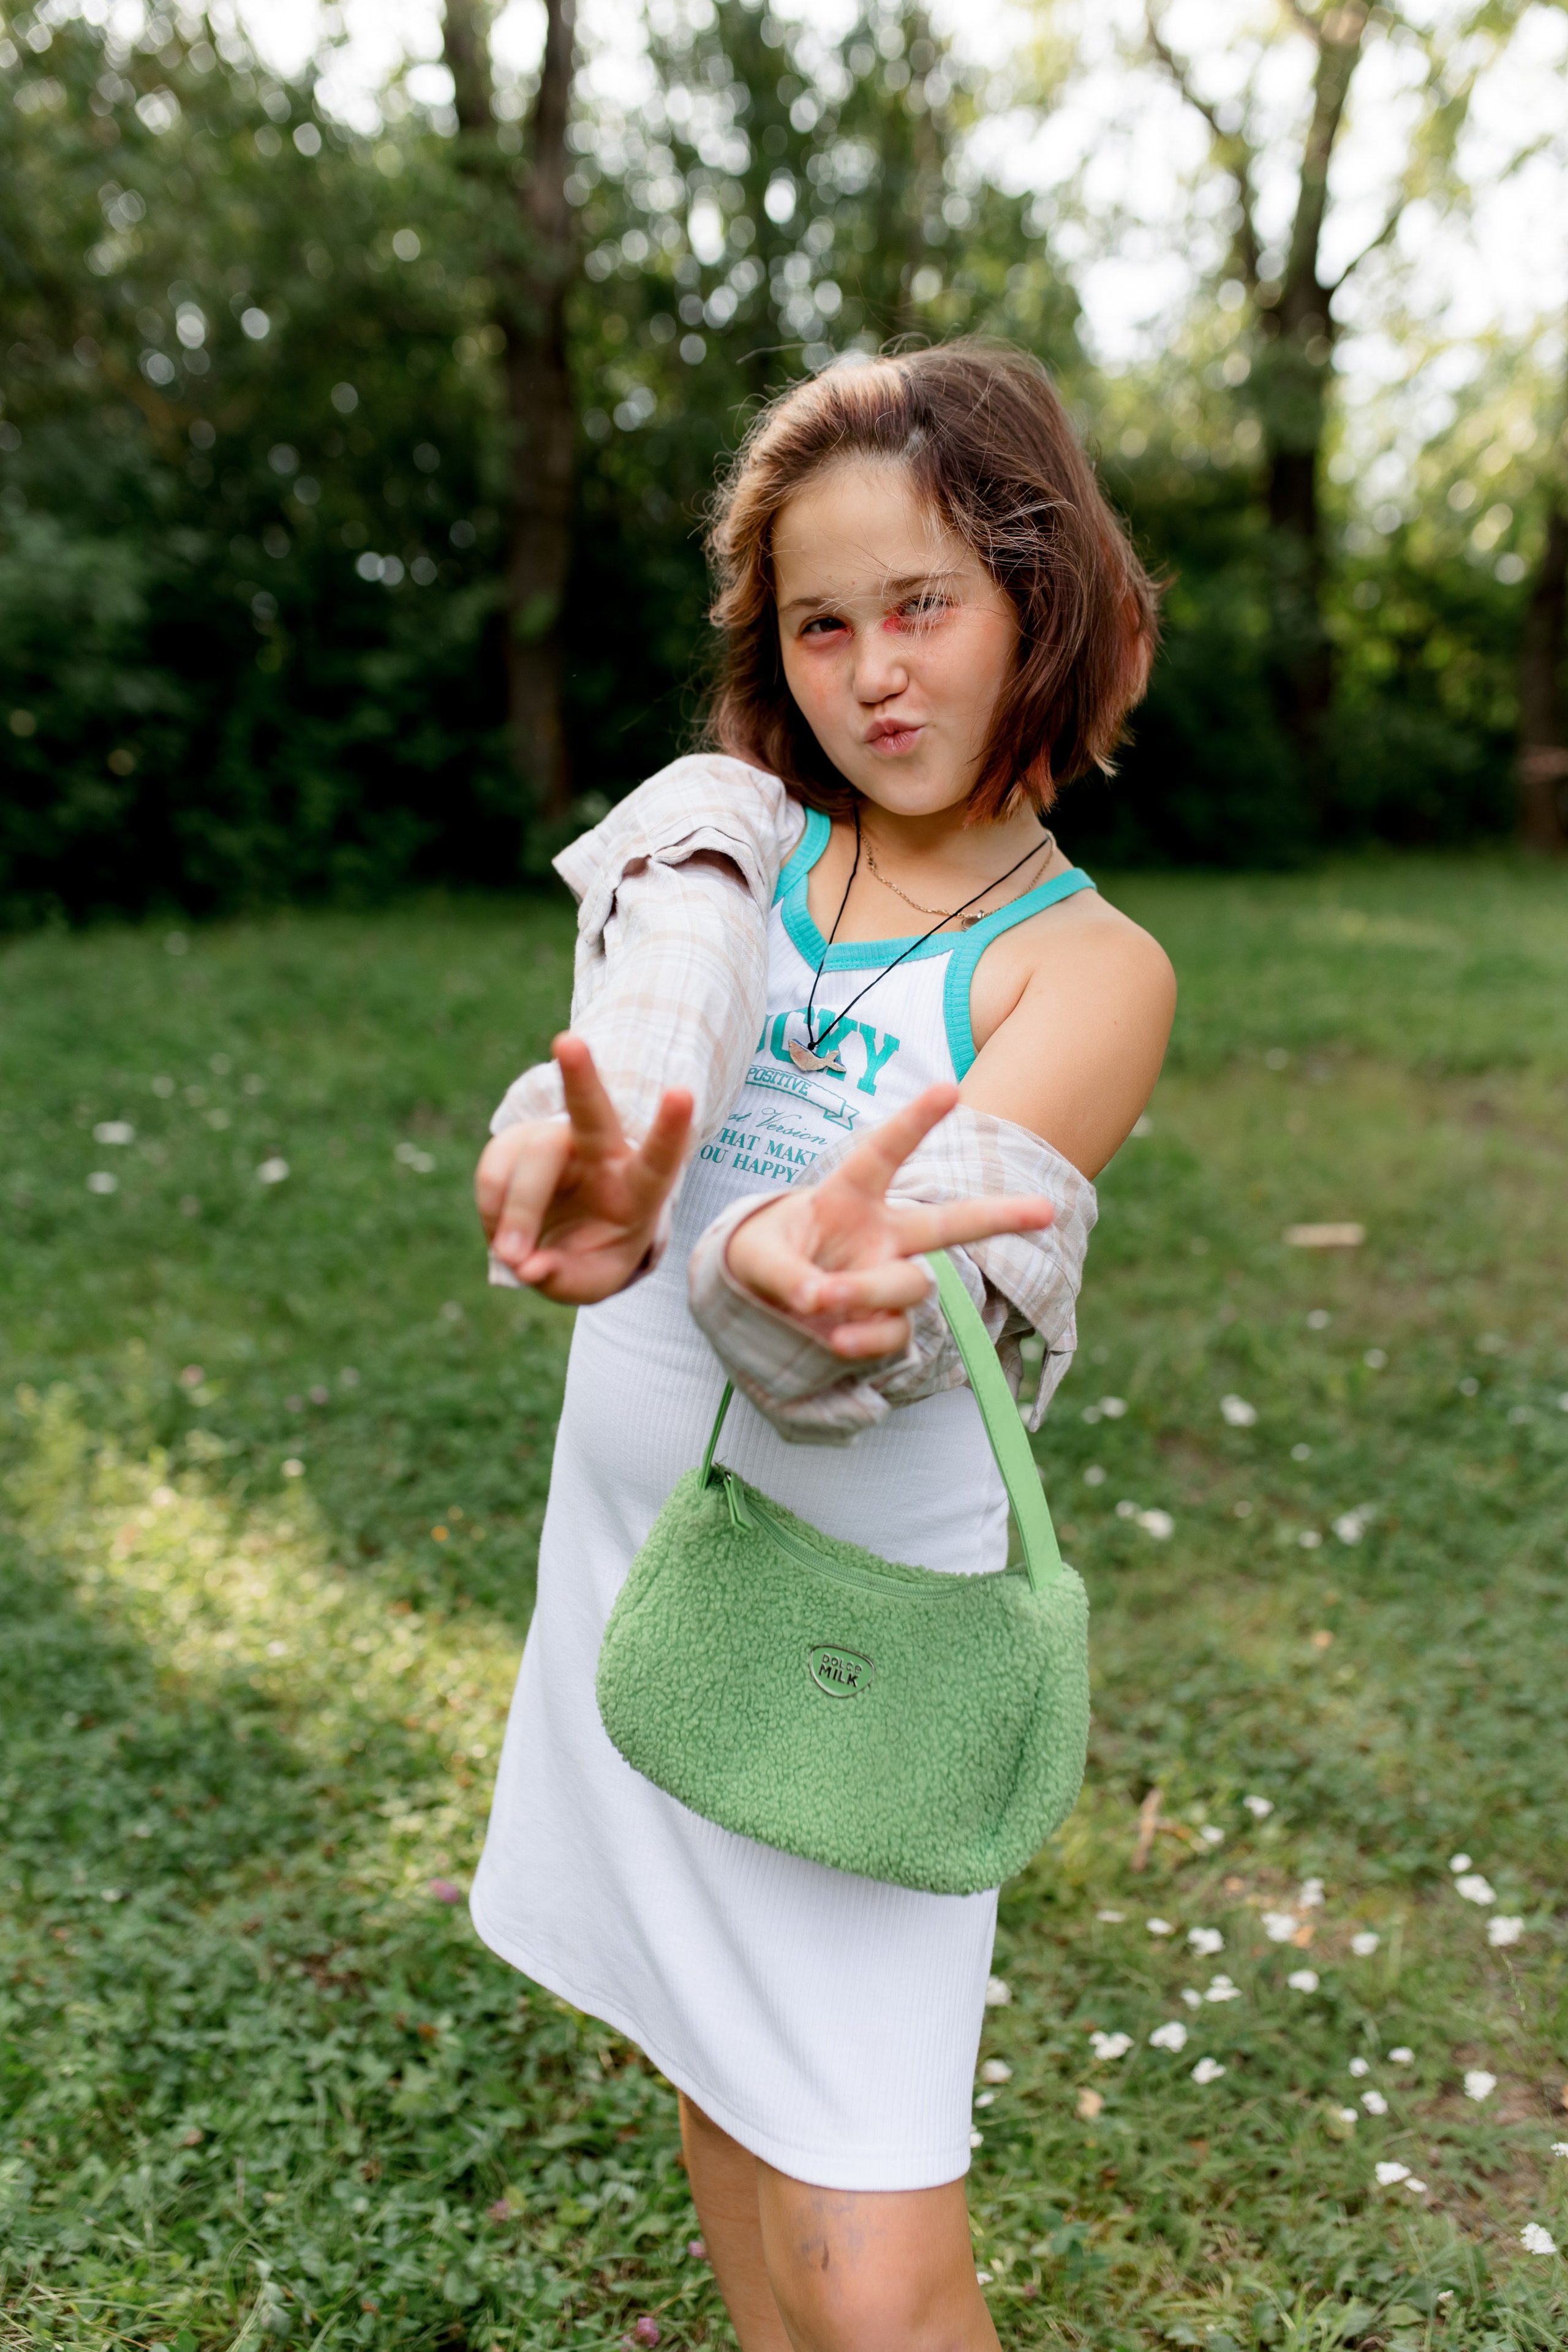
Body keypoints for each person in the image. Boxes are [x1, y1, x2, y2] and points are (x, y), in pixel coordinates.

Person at [469, 342, 1174, 2351]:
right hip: (641, 1592)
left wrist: (815, 1289)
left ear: (1043, 601)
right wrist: (563, 1172)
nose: (874, 672)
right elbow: (624, 1064)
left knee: (873, 2258)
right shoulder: (730, 847)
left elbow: (953, 1265)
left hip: (854, 1650)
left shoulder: (1086, 967)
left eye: (924, 605)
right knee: (725, 2090)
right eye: (822, 623)